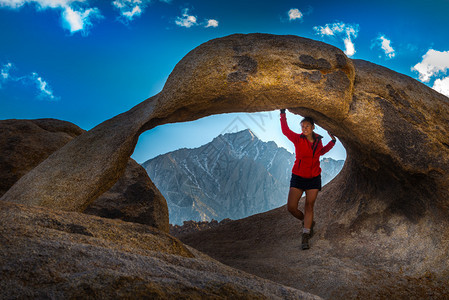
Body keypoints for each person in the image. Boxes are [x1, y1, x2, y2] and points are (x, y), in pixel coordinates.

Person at [280, 109, 336, 250]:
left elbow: (321, 152)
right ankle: (307, 222)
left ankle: (305, 234)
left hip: (314, 178)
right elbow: (286, 131)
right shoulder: (297, 139)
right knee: (291, 207)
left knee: (309, 206)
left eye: (307, 126)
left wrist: (333, 142)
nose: (304, 129)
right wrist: (282, 114)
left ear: (312, 127)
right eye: (302, 126)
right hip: (298, 177)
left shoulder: (318, 141)